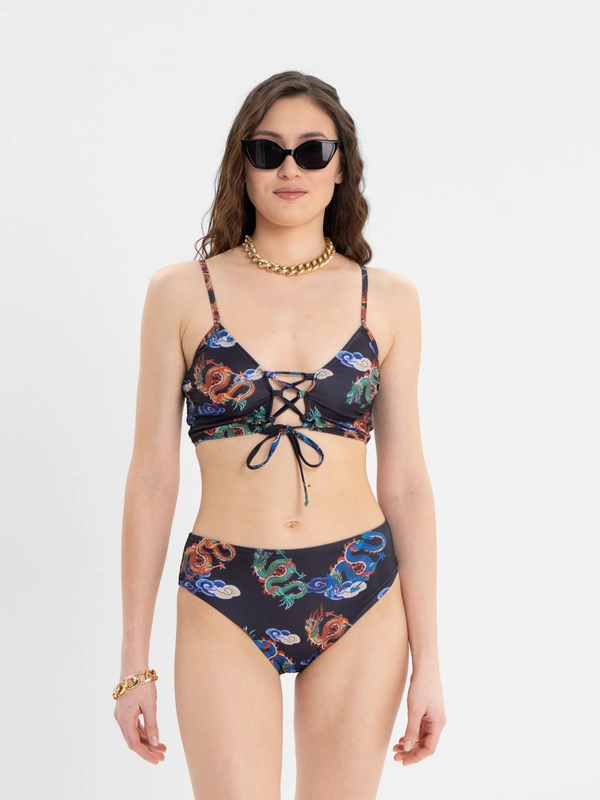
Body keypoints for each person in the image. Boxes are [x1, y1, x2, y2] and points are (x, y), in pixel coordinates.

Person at [113, 70, 446, 799]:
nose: (290, 168)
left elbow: (406, 484)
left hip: (361, 589)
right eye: (267, 151)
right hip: (224, 588)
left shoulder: (387, 298)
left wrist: (430, 662)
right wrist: (134, 662)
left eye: (312, 150)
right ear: (242, 165)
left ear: (341, 167)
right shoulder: (181, 292)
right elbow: (152, 479)